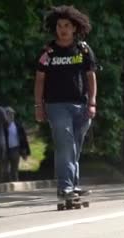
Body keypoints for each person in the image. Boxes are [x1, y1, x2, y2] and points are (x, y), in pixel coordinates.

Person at [34, 5, 97, 199]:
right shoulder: (48, 52)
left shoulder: (83, 50)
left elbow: (91, 77)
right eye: (60, 25)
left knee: (75, 146)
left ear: (75, 28)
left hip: (82, 105)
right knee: (64, 145)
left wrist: (92, 102)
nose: (63, 29)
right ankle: (65, 187)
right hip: (56, 105)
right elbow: (40, 79)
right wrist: (38, 105)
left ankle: (73, 184)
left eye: (67, 25)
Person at [4, 107, 30, 182]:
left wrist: (25, 151)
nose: (11, 116)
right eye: (9, 114)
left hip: (15, 149)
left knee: (14, 169)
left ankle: (15, 184)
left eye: (12, 114)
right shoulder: (2, 126)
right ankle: (7, 184)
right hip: (5, 150)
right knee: (5, 169)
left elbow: (23, 139)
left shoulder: (17, 125)